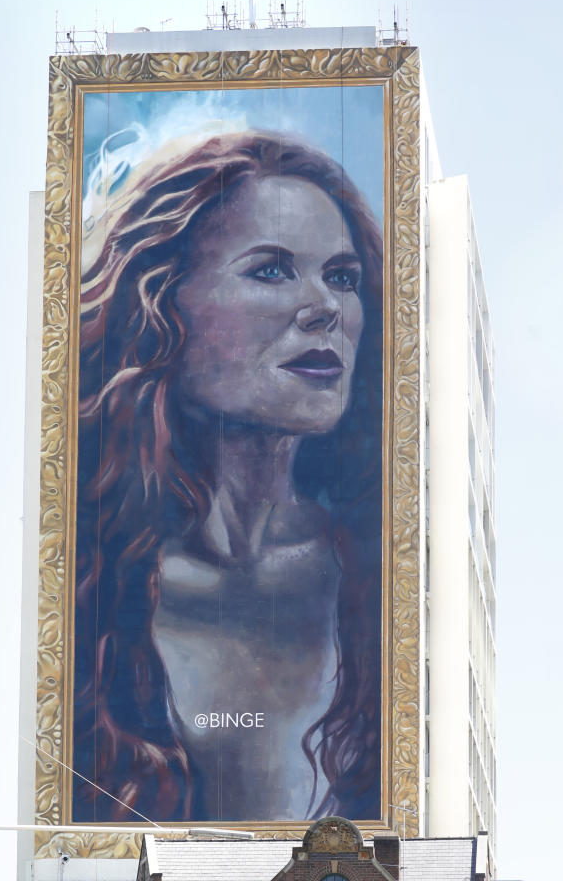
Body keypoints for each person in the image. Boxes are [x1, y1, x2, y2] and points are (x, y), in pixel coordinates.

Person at [74, 128, 384, 824]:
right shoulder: (97, 583)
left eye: (342, 277)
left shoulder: (375, 583)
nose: (325, 307)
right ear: (161, 302)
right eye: (271, 270)